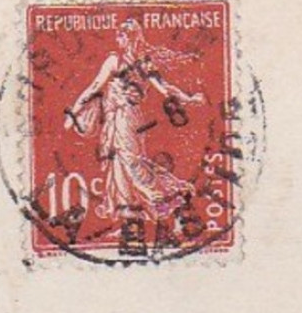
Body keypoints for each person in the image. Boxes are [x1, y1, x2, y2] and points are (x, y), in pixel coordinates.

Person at [65, 18, 207, 218]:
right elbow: (96, 87)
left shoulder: (126, 61)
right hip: (121, 118)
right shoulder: (132, 61)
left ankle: (160, 196)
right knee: (119, 162)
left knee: (130, 159)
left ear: (129, 38)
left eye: (121, 36)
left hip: (126, 118)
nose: (118, 40)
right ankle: (127, 211)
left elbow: (96, 87)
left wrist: (188, 99)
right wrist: (188, 99)